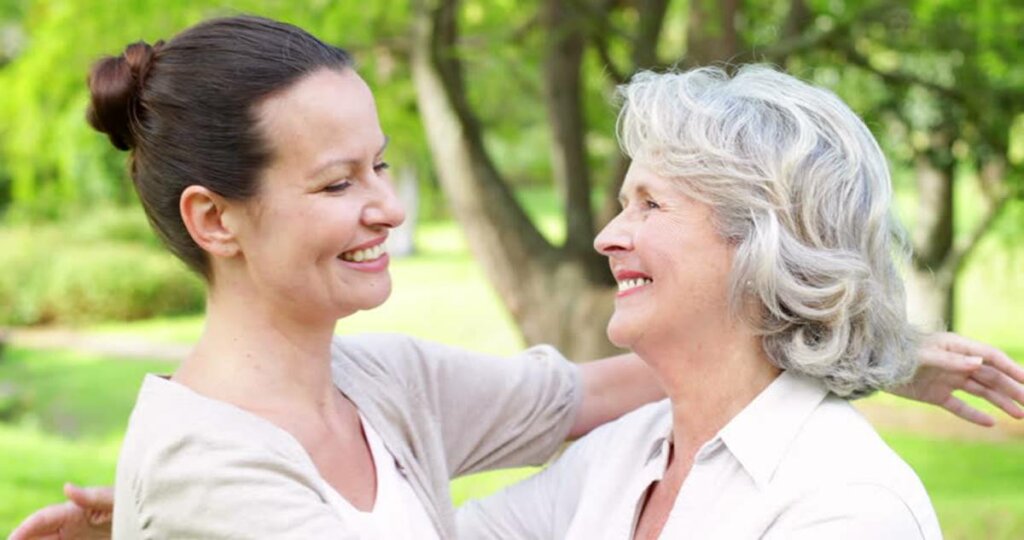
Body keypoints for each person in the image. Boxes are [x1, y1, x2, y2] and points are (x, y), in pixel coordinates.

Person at [10, 20, 1024, 540]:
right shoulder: (208, 468)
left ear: (759, 250)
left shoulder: (387, 387)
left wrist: (852, 346)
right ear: (214, 218)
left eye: (381, 167)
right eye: (335, 180)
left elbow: (573, 395)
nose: (387, 209)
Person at [455, 65, 1024, 539]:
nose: (607, 237)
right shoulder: (623, 454)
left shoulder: (849, 504)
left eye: (650, 204)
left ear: (765, 245)